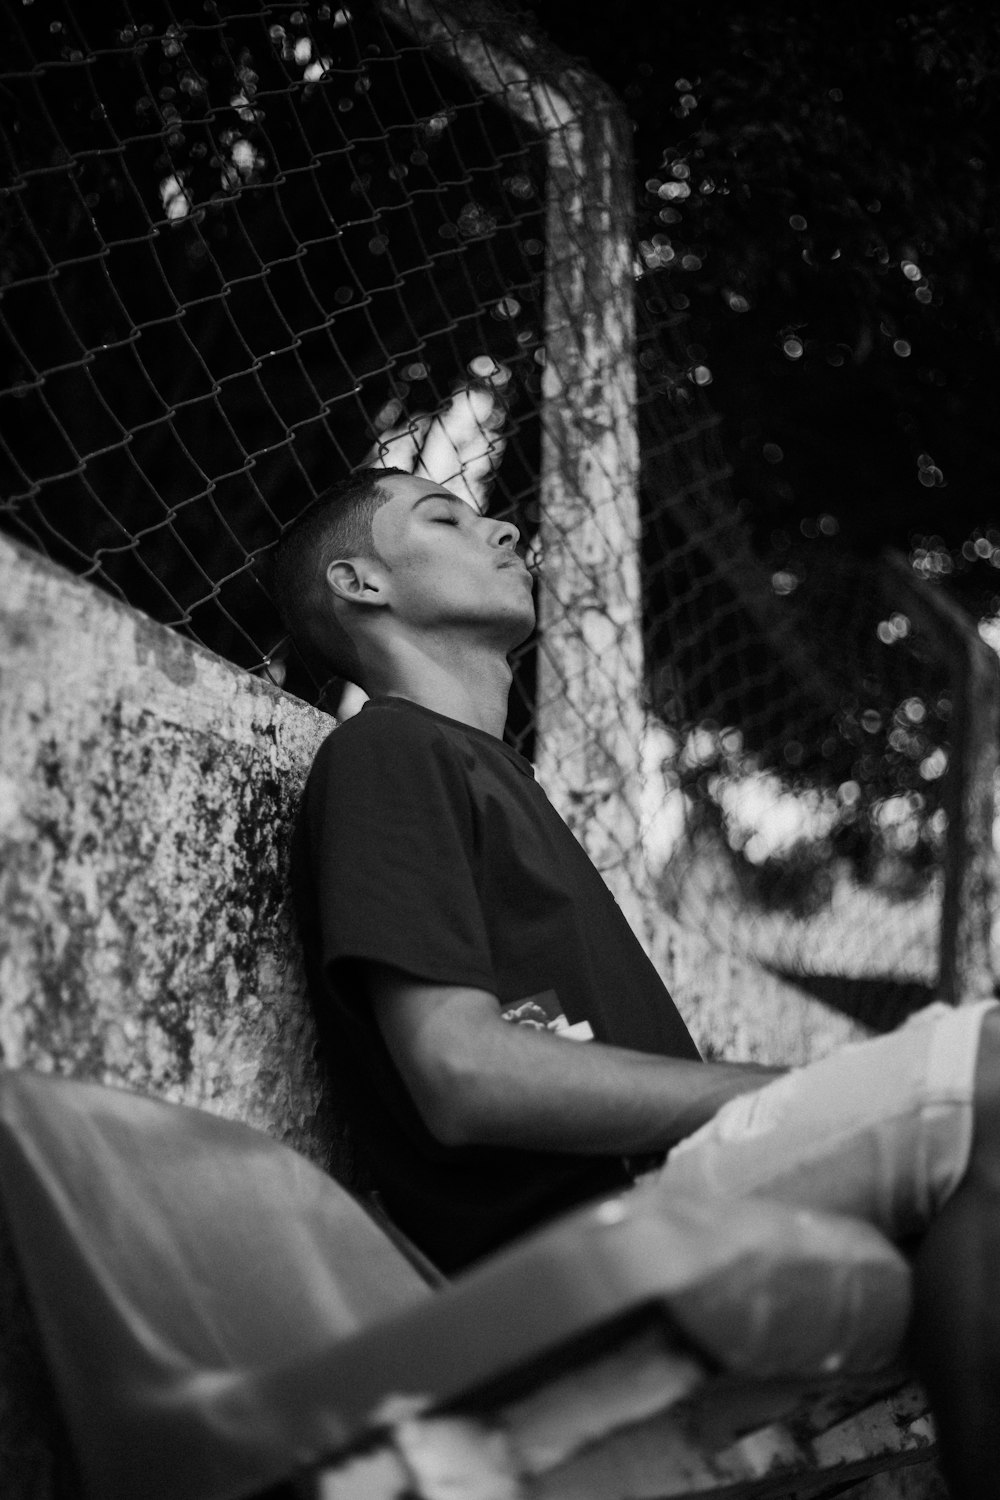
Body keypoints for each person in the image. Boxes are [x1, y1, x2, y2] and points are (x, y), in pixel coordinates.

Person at [274, 465, 1000, 1499]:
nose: (505, 526)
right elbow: (458, 1073)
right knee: (980, 1065)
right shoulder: (390, 751)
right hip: (594, 1242)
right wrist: (777, 1096)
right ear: (360, 583)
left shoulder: (494, 776)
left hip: (671, 1199)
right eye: (443, 516)